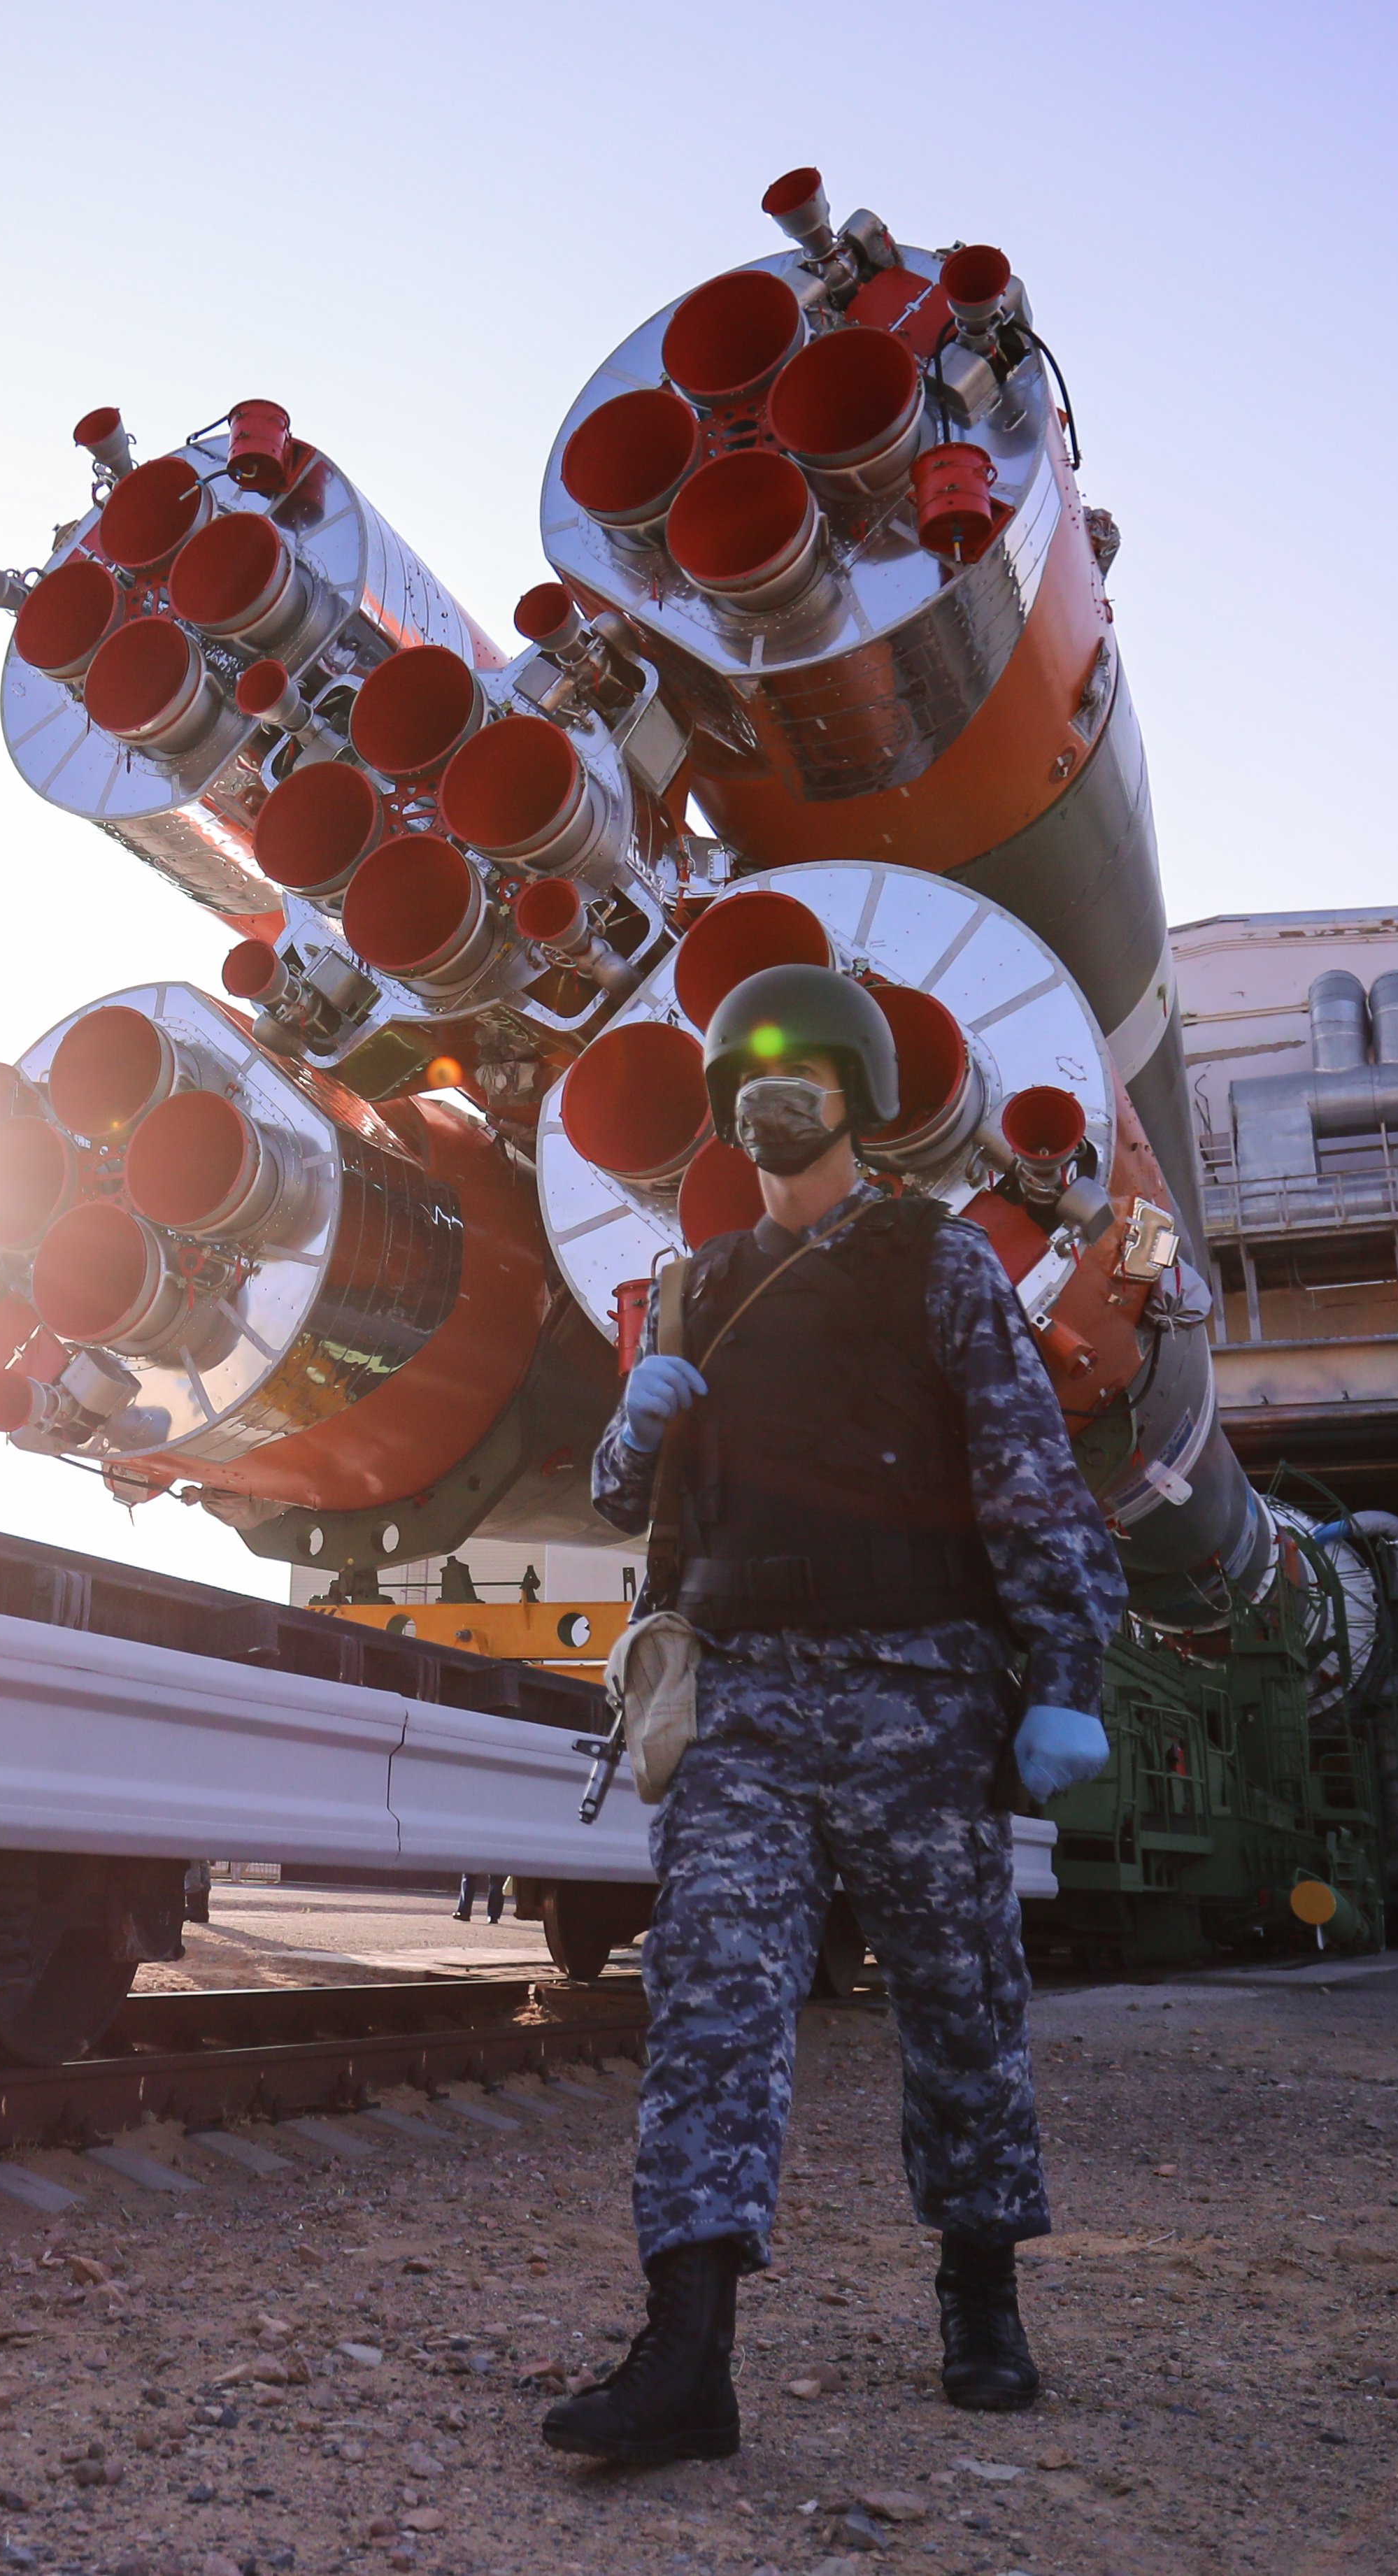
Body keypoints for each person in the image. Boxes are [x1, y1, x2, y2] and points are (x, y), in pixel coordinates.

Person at [537, 964, 1124, 2466]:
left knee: (960, 2006)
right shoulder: (695, 1283)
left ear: (854, 1093)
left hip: (917, 1692)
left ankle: (981, 2297)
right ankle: (686, 2354)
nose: (767, 1094)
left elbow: (1025, 1468)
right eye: (744, 1074)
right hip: (742, 1696)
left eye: (796, 1069)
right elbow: (623, 1498)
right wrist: (634, 1423)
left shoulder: (936, 1259)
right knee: (708, 2002)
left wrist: (1065, 1672)